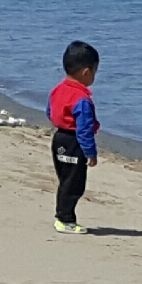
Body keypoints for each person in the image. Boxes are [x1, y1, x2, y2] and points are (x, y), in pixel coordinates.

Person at [48, 40, 101, 234]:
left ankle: (64, 216)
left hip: (59, 138)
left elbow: (50, 111)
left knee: (66, 179)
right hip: (73, 142)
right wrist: (90, 152)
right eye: (95, 72)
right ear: (86, 72)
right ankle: (65, 219)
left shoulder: (58, 90)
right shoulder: (82, 99)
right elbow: (84, 129)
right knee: (74, 183)